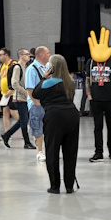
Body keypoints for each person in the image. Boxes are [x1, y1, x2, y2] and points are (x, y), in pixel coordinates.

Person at [33, 54, 81, 193]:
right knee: (70, 152)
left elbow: (36, 93)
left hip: (54, 116)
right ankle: (69, 185)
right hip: (72, 115)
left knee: (52, 150)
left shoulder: (48, 82)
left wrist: (44, 77)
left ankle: (55, 186)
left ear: (52, 67)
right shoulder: (70, 82)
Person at [86, 28, 111, 162]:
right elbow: (87, 79)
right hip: (96, 99)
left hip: (110, 98)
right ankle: (98, 151)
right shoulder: (90, 62)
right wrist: (89, 96)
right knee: (97, 126)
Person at [0, 49, 31, 149]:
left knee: (22, 120)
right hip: (19, 98)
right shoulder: (17, 67)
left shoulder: (25, 67)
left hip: (24, 98)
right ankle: (26, 142)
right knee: (24, 120)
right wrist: (24, 92)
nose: (29, 56)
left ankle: (7, 135)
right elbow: (14, 83)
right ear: (21, 56)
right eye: (27, 54)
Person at [26, 46, 52, 161]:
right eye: (47, 53)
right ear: (41, 55)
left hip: (47, 103)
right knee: (38, 128)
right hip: (36, 103)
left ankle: (48, 150)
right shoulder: (32, 69)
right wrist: (37, 104)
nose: (49, 55)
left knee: (48, 128)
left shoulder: (47, 67)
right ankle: (39, 151)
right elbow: (30, 89)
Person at [0, 49, 16, 136]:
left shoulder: (13, 64)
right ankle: (7, 133)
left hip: (12, 93)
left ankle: (24, 126)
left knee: (14, 112)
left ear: (6, 55)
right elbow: (1, 79)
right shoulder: (1, 66)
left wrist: (12, 89)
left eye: (1, 55)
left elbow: (16, 79)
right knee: (5, 113)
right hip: (4, 94)